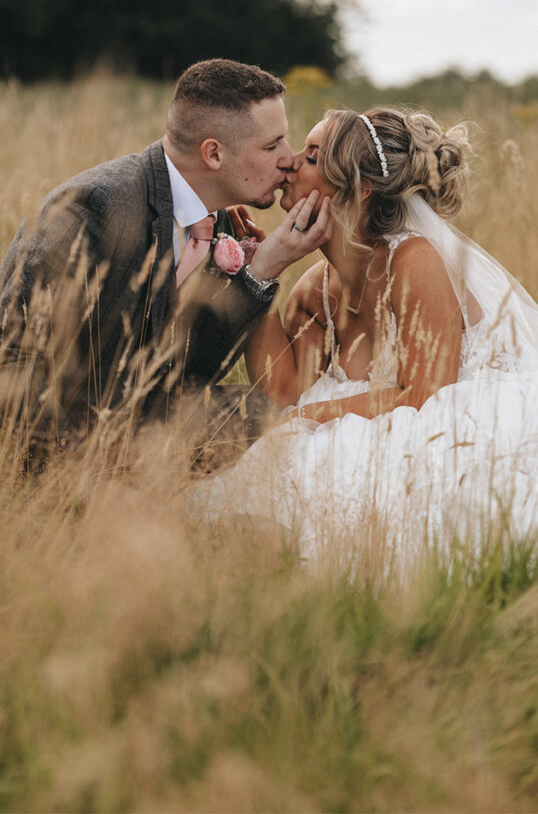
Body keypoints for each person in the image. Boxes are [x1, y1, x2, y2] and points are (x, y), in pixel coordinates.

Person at [192, 107, 538, 561]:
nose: (290, 162)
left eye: (312, 156)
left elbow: (425, 397)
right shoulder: (316, 288)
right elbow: (282, 393)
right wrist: (262, 272)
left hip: (457, 423)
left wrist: (310, 416)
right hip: (378, 416)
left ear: (360, 188)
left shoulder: (413, 260)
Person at [0, 59, 331, 461]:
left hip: (132, 421)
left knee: (252, 411)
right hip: (59, 432)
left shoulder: (219, 219)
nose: (289, 158)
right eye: (271, 145)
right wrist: (80, 482)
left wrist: (260, 272)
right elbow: (14, 367)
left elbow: (188, 373)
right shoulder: (92, 211)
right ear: (213, 154)